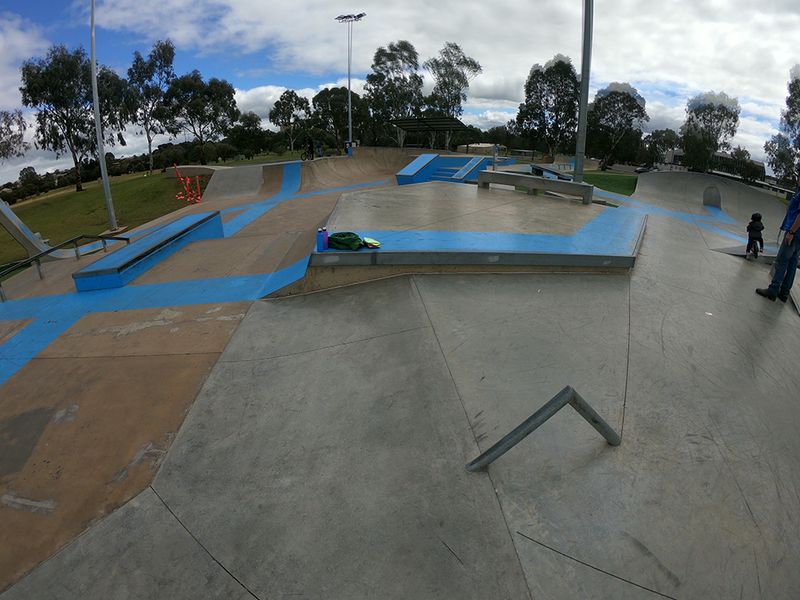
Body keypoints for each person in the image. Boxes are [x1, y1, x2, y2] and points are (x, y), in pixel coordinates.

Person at [756, 188, 800, 302]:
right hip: (797, 235)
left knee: (782, 261)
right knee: (792, 263)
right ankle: (784, 293)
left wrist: (791, 232)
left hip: (794, 233)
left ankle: (773, 290)